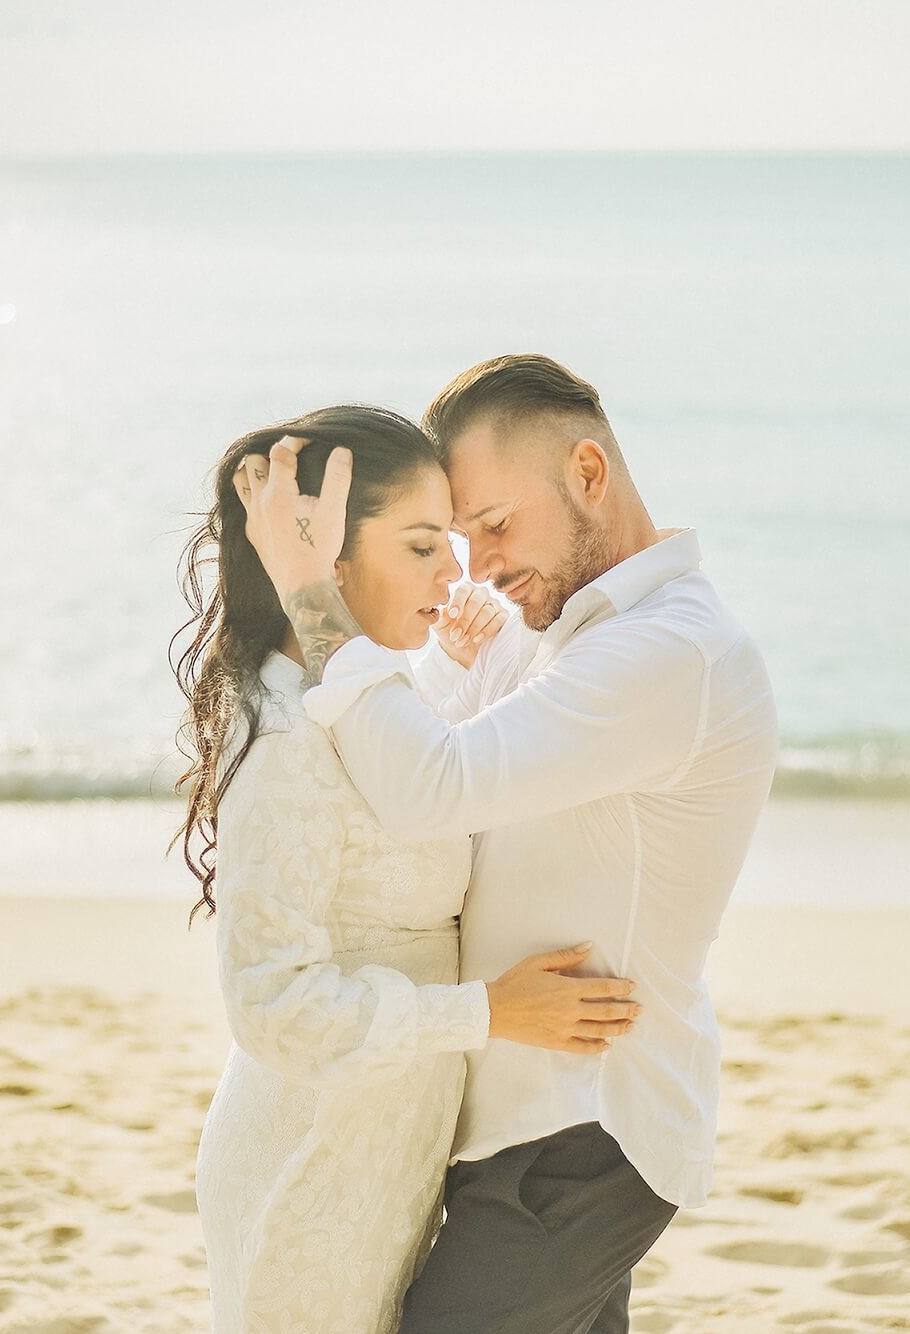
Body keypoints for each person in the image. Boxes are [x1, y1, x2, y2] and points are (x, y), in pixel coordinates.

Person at [238, 356, 779, 1334]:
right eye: (452, 537)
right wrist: (450, 651)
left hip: (579, 1123)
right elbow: (446, 754)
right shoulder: (565, 632)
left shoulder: (666, 651)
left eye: (492, 524)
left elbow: (429, 789)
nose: (476, 561)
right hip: (531, 1120)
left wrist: (313, 599)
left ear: (585, 472)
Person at [174, 403, 644, 1334]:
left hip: (378, 1157)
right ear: (329, 560)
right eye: (424, 546)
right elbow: (268, 1002)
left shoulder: (354, 697)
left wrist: (447, 677)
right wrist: (489, 1012)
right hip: (309, 1169)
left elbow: (395, 804)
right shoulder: (287, 740)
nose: (455, 572)